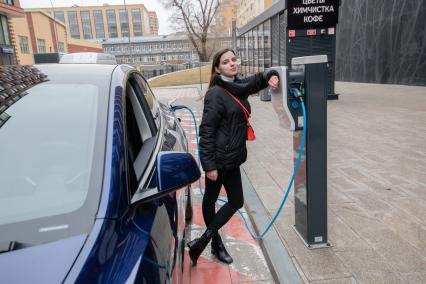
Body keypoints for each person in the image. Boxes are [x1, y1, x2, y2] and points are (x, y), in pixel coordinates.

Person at [187, 48, 279, 265]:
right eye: (226, 62)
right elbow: (207, 131)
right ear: (218, 68)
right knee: (210, 202)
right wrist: (209, 165)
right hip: (218, 161)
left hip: (233, 158)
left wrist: (270, 75)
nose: (232, 64)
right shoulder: (215, 93)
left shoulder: (238, 86)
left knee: (236, 201)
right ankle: (216, 244)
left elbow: (255, 82)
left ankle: (203, 241)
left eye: (233, 59)